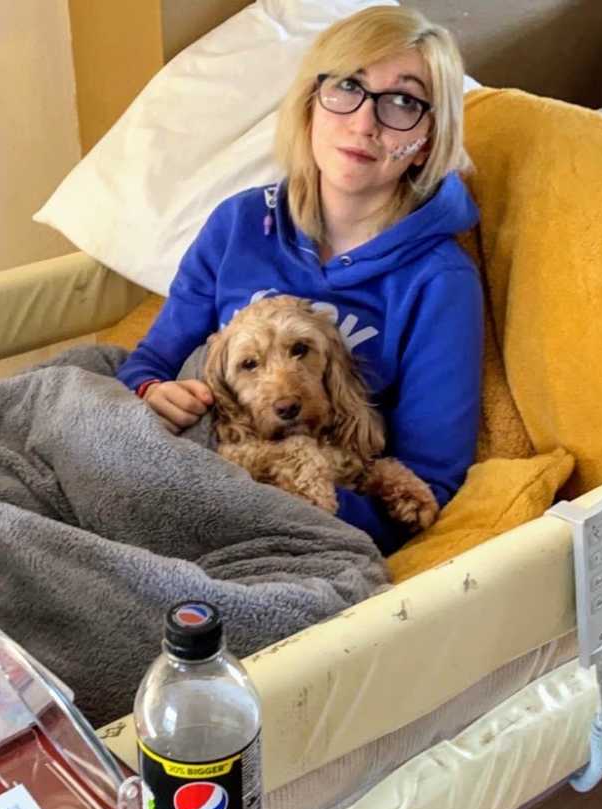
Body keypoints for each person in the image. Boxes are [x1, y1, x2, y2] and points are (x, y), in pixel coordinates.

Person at [115, 6, 482, 556]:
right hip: (180, 467)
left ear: (428, 140)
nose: (364, 123)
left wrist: (295, 513)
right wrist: (155, 395)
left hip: (302, 528)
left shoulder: (441, 283)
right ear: (311, 105)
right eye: (348, 87)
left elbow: (427, 484)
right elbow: (147, 366)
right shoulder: (238, 224)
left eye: (403, 102)